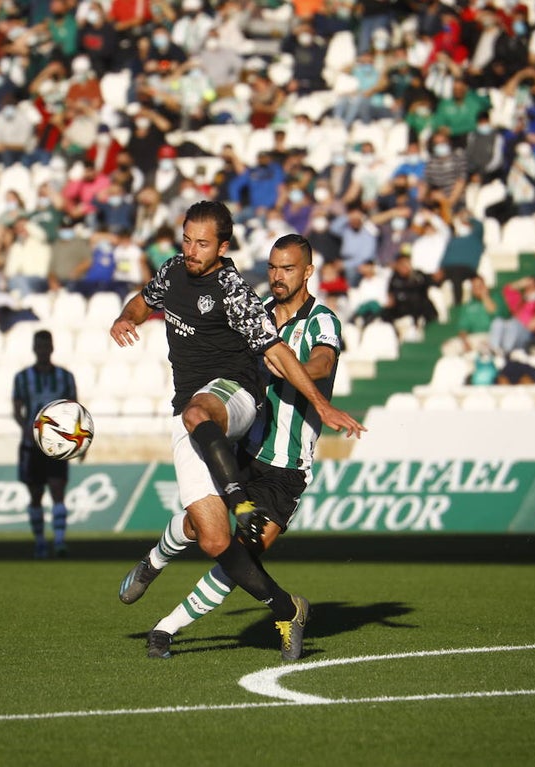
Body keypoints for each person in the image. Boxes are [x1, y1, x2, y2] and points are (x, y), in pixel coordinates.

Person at [109, 200, 364, 661]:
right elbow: (150, 302)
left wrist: (313, 392)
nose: (277, 276)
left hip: (283, 465)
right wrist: (129, 316)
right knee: (198, 526)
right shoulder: (256, 306)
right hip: (238, 444)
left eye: (288, 269)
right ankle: (156, 559)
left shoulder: (319, 320)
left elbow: (319, 362)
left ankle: (167, 628)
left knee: (237, 550)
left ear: (308, 272)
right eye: (272, 268)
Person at [12, 330, 78, 559]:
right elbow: (17, 410)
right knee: (36, 493)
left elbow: (74, 408)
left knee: (58, 490)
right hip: (31, 446)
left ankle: (59, 541)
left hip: (57, 444)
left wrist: (78, 441)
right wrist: (26, 430)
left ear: (51, 347)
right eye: (39, 346)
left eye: (46, 346)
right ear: (34, 348)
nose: (42, 350)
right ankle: (40, 542)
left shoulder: (65, 376)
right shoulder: (22, 378)